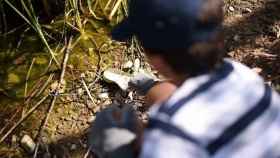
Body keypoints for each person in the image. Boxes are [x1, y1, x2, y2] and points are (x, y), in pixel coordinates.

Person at [88, 0, 280, 157]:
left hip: (178, 139)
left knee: (113, 136)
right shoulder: (239, 73)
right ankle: (147, 85)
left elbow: (175, 142)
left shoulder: (172, 139)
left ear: (157, 60)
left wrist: (127, 147)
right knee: (161, 94)